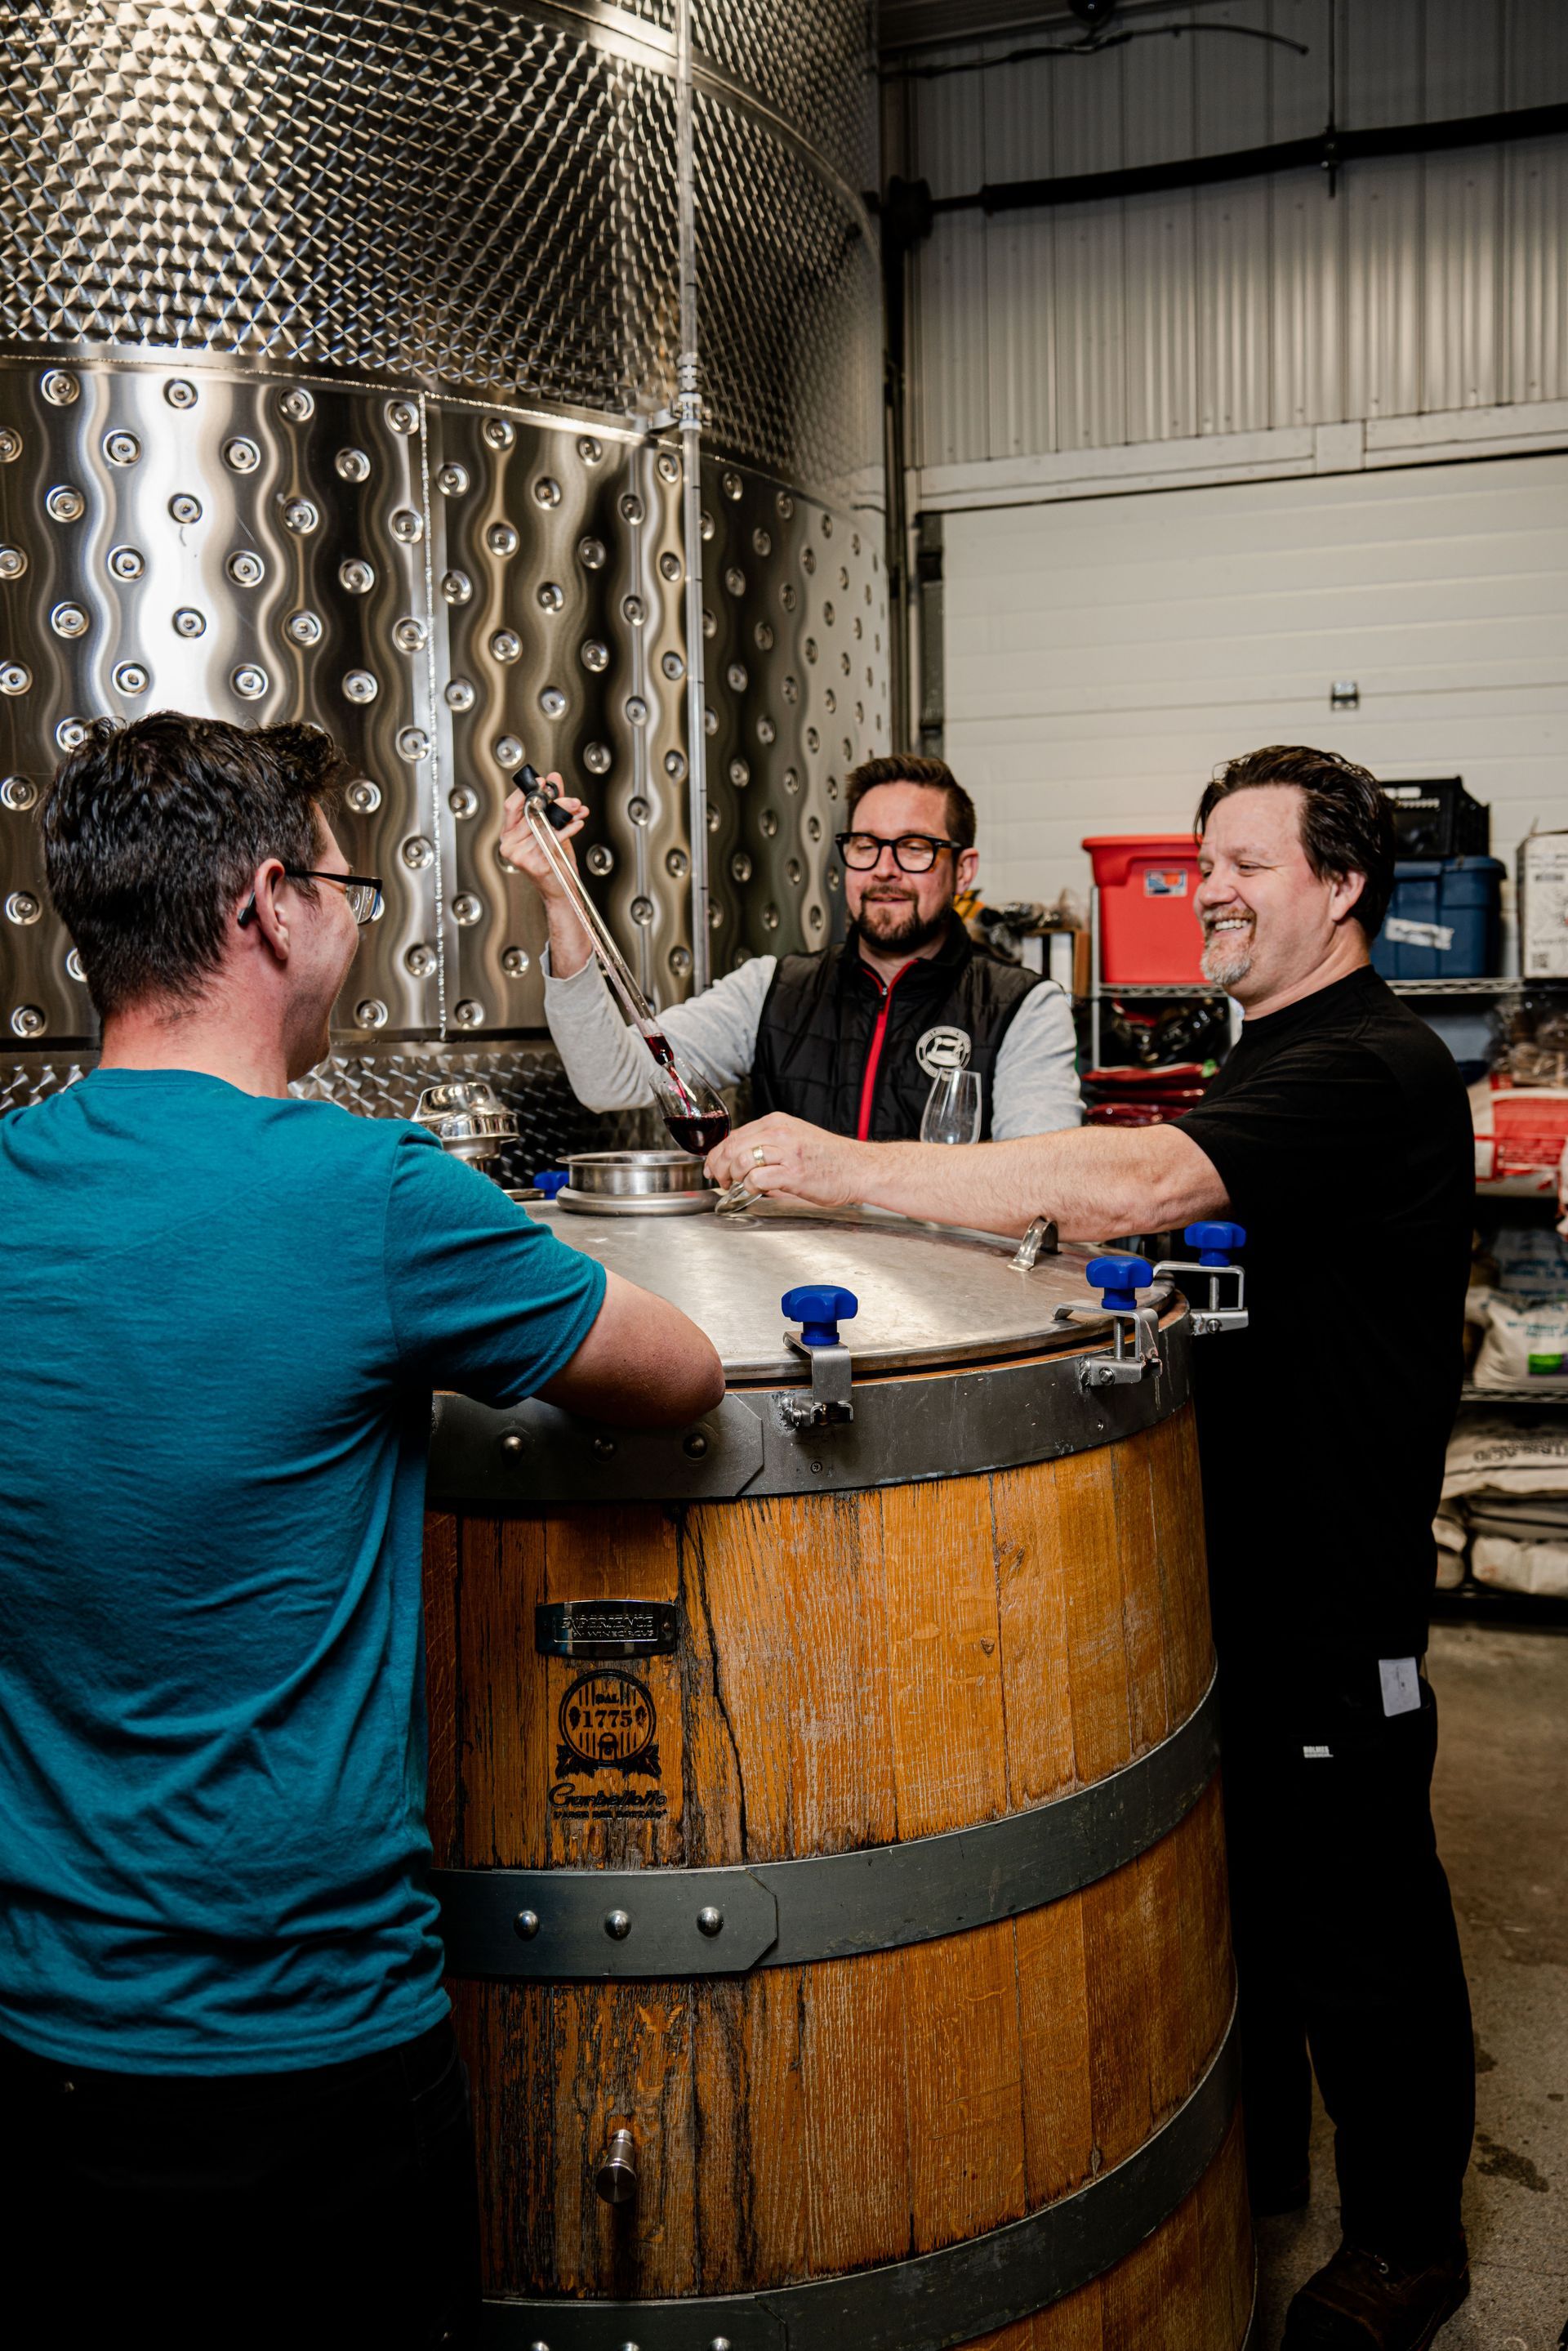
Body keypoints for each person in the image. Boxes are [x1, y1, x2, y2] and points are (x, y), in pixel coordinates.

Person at [704, 746, 1476, 2351]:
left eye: (1249, 864)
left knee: (1363, 1912)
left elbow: (1140, 1185)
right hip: (1234, 1570)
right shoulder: (1264, 1056)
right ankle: (1258, 2163)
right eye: (1203, 862)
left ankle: (1410, 2239)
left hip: (1338, 1585)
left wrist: (844, 1168)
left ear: (1341, 886)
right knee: (1252, 1889)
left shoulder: (1374, 1062)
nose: (1210, 889)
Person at [0, 712, 723, 2349]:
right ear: (268, 904)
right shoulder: (380, 1195)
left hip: (41, 2032)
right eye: (345, 882)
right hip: (309, 2047)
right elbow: (673, 1373)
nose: (356, 916)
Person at [507, 752, 1082, 1142]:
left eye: (913, 848)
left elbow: (1044, 1181)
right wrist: (561, 898)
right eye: (865, 845)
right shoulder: (774, 990)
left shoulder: (1023, 1008)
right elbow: (610, 1081)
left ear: (963, 870)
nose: (884, 870)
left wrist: (847, 1171)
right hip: (796, 1306)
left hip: (958, 1313)